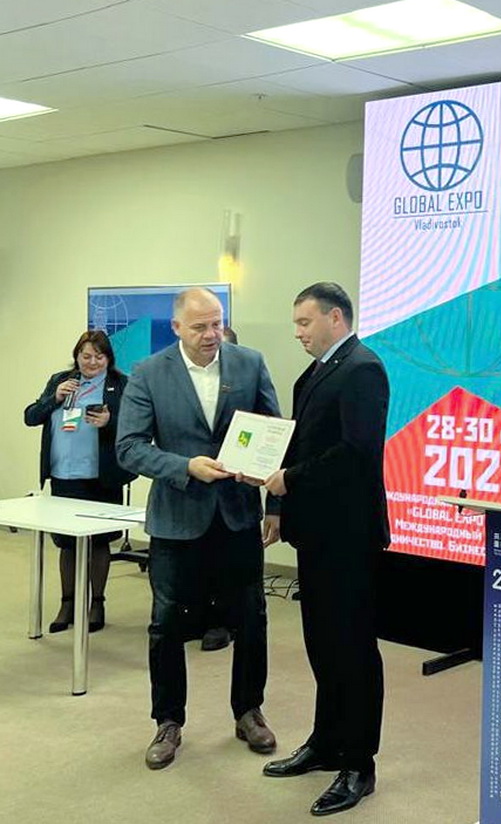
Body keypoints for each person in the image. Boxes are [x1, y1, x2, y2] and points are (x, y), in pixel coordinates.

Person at [116, 288, 282, 770]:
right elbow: (128, 447)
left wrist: (275, 505)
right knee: (166, 624)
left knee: (251, 617)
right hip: (177, 519)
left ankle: (249, 711)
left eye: (217, 324)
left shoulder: (250, 363)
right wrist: (184, 466)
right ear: (176, 328)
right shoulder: (148, 373)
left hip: (237, 515)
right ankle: (168, 721)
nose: (212, 335)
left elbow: (276, 437)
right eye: (199, 327)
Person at [261, 282, 388, 817]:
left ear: (336, 318)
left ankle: (359, 763)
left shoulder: (363, 368)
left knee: (353, 649)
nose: (298, 333)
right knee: (322, 644)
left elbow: (357, 453)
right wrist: (278, 504)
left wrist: (290, 480)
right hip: (315, 533)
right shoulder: (314, 373)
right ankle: (326, 741)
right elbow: (297, 443)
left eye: (305, 322)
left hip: (349, 537)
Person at [23, 330, 137, 633]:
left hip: (101, 477)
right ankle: (68, 604)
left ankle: (97, 603)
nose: (92, 362)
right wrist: (54, 398)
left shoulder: (120, 384)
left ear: (108, 358)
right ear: (76, 356)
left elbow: (135, 427)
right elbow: (31, 416)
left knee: (99, 542)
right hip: (64, 475)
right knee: (67, 543)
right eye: (86, 356)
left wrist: (109, 422)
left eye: (99, 357)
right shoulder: (60, 380)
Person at [199, 325, 238, 654]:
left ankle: (222, 623)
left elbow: (273, 430)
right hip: (188, 496)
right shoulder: (159, 374)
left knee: (228, 570)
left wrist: (275, 505)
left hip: (235, 497)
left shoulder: (247, 376)